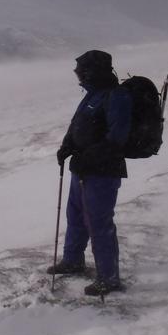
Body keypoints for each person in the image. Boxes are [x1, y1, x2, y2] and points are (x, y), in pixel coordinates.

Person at [49, 50, 133, 296]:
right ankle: (73, 260)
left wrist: (89, 156)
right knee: (75, 215)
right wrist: (67, 146)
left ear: (93, 71)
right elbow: (78, 125)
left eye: (81, 71)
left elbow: (117, 137)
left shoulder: (117, 96)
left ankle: (109, 277)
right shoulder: (92, 95)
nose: (77, 76)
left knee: (98, 222)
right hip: (82, 170)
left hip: (102, 173)